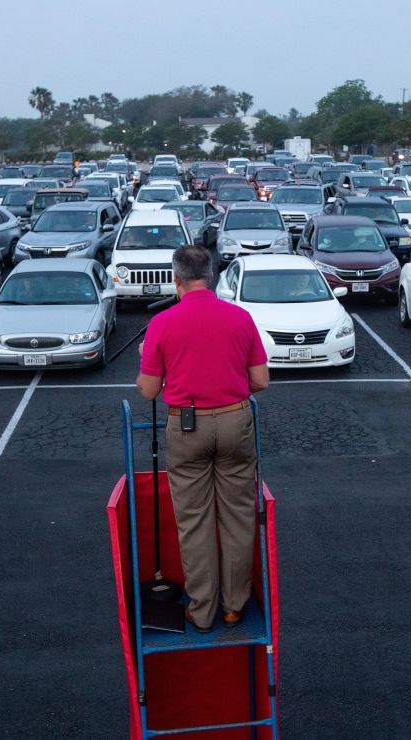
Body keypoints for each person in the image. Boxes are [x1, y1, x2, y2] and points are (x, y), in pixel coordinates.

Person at [136, 246, 270, 632]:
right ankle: (233, 606)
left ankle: (202, 609)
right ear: (210, 276)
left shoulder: (162, 323)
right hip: (235, 422)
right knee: (238, 517)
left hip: (187, 427)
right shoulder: (240, 317)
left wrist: (148, 358)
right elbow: (260, 381)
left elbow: (148, 390)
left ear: (175, 280)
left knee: (194, 522)